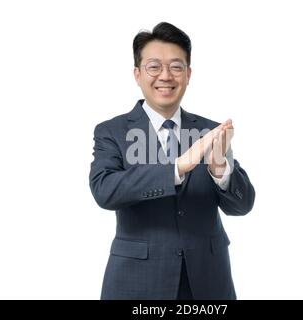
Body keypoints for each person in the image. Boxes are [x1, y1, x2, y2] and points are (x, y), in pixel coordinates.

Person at [89, 22, 255, 300]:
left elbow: (242, 205)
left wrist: (220, 170)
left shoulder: (210, 131)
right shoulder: (112, 131)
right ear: (137, 74)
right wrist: (177, 167)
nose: (165, 76)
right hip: (137, 282)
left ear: (188, 74)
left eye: (176, 67)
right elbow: (105, 191)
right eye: (154, 66)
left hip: (208, 282)